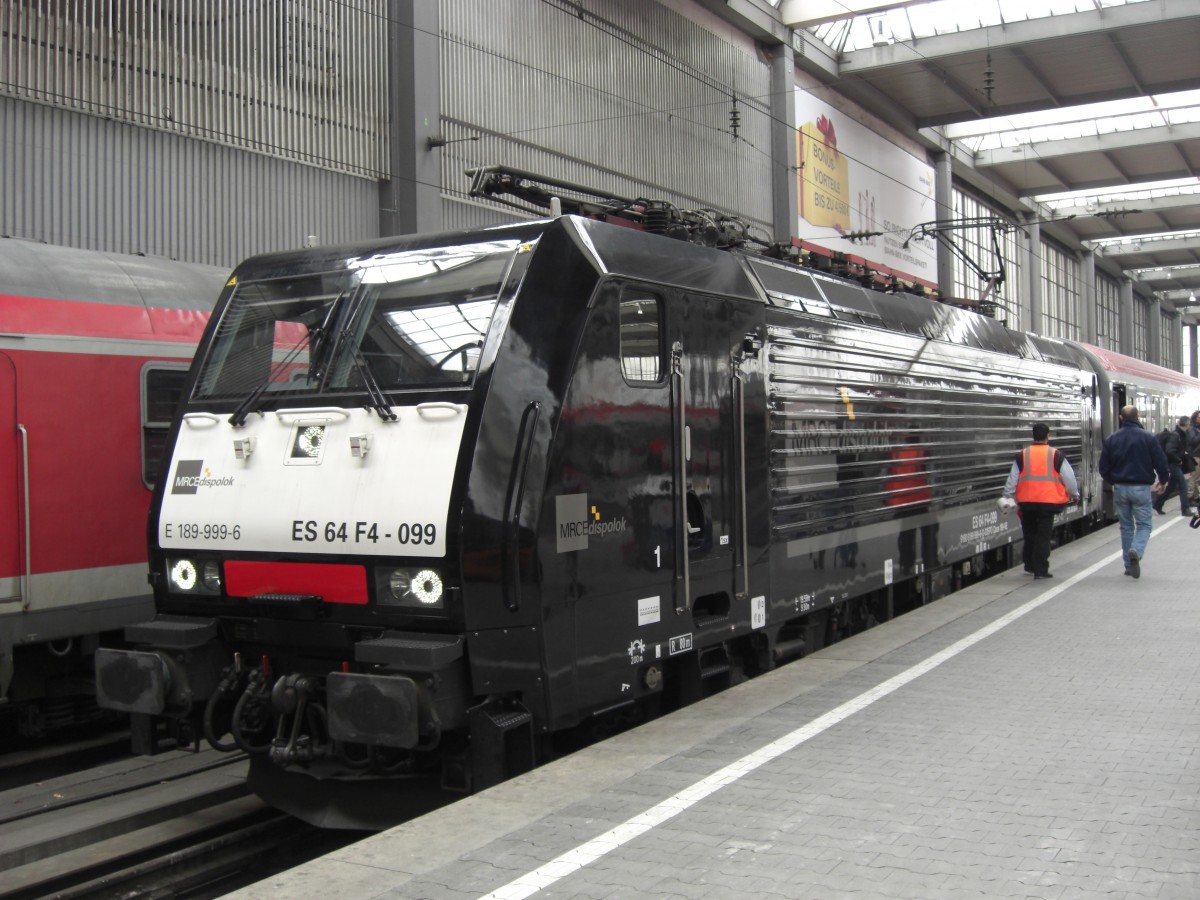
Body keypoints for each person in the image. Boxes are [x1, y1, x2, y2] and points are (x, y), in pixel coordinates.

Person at [1098, 405, 1170, 580]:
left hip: (1120, 487)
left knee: (1126, 526)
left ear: (1121, 418)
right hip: (1141, 487)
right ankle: (1136, 550)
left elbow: (1103, 468)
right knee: (1144, 525)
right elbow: (1160, 462)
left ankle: (1129, 566)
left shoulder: (1112, 439)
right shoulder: (1148, 438)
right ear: (1138, 417)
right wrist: (1163, 480)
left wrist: (1114, 480)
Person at [1001, 422, 1079, 579]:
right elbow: (1069, 478)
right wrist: (1074, 495)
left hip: (1027, 503)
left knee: (1030, 534)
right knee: (1043, 536)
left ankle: (1029, 565)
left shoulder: (1023, 455)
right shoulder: (1056, 455)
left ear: (1032, 436)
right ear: (1048, 436)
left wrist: (1008, 495)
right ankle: (1041, 569)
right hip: (1048, 503)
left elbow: (1012, 479)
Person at [1152, 415, 1194, 516]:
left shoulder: (1181, 434)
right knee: (1183, 484)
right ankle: (1185, 509)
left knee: (1171, 486)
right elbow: (1169, 451)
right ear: (1187, 424)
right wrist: (1178, 459)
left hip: (1174, 463)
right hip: (1173, 463)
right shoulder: (1176, 435)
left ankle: (1158, 504)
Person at [1187, 410, 1200, 504]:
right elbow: (1193, 441)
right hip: (1195, 456)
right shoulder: (1192, 428)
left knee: (1196, 478)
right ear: (1195, 418)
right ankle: (1190, 498)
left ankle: (1196, 497)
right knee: (1193, 478)